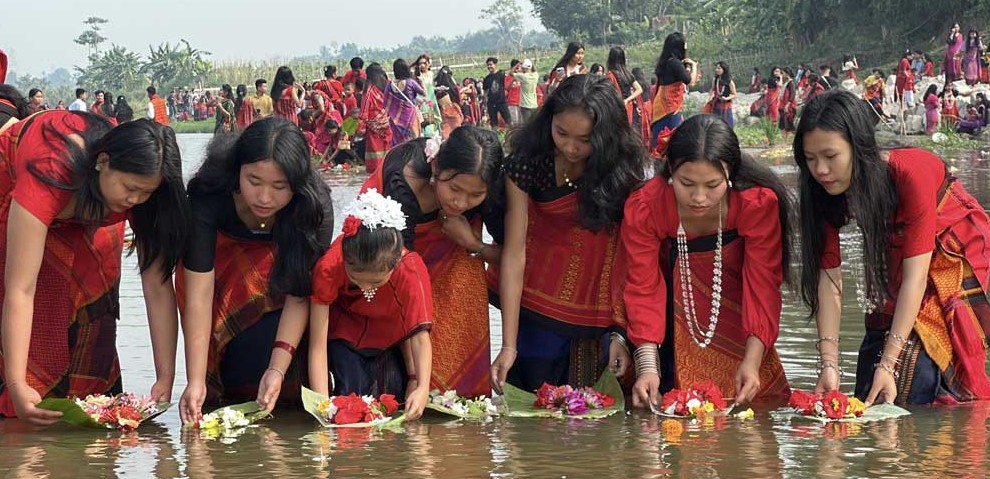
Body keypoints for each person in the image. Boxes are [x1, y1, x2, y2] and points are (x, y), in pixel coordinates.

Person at [795, 89, 990, 406]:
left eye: (831, 156)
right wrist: (829, 364)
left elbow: (916, 277)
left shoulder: (909, 174)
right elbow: (829, 281)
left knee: (913, 374)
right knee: (868, 380)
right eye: (810, 158)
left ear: (859, 148)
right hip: (897, 246)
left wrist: (889, 365)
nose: (820, 170)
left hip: (952, 248)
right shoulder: (820, 191)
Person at [0, 111, 190, 424]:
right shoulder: (51, 165)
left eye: (146, 192)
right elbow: (21, 289)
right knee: (36, 300)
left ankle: (92, 409)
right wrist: (17, 382)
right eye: (130, 187)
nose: (135, 199)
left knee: (94, 303)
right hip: (15, 189)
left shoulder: (140, 194)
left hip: (91, 203)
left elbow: (157, 285)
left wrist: (165, 377)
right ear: (103, 162)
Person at [621, 114, 793, 408]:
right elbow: (643, 286)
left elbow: (763, 286)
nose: (698, 197)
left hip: (739, 323)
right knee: (671, 407)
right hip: (668, 321)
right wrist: (648, 367)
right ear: (670, 170)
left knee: (756, 408)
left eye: (712, 185)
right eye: (686, 183)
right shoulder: (647, 206)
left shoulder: (755, 204)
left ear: (730, 175)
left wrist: (752, 362)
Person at [489, 75, 647, 394]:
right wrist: (507, 345)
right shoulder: (528, 163)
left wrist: (621, 333)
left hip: (599, 307)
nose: (571, 148)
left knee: (594, 407)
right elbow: (516, 251)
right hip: (535, 300)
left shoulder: (621, 170)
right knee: (534, 402)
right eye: (561, 133)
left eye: (585, 140)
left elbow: (628, 254)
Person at [177, 117, 334, 422]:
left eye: (279, 186)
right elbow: (199, 291)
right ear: (237, 170)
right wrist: (195, 379)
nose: (264, 198)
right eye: (254, 181)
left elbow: (300, 292)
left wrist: (276, 368)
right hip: (222, 282)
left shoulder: (314, 206)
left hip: (285, 289)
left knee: (287, 385)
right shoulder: (209, 193)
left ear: (297, 184)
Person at [361, 127, 503, 398]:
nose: (461, 202)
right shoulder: (403, 182)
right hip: (391, 265)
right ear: (436, 166)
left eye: (475, 196)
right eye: (454, 189)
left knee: (459, 398)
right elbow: (400, 275)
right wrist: (416, 376)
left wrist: (474, 244)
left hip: (457, 258)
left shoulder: (490, 186)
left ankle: (461, 400)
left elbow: (518, 257)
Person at [309, 189, 432, 420]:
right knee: (348, 398)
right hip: (345, 331)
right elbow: (317, 345)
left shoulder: (410, 268)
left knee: (391, 401)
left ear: (395, 263)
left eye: (375, 282)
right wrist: (322, 406)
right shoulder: (329, 267)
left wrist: (422, 386)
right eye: (356, 279)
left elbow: (419, 336)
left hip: (391, 335)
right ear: (345, 260)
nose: (366, 287)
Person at [650, 32, 698, 150]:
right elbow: (690, 81)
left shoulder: (666, 62)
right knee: (672, 139)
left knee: (660, 139)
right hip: (669, 106)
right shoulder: (674, 63)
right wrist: (694, 66)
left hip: (661, 103)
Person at [606, 47, 648, 145]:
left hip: (618, 108)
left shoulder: (610, 75)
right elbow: (639, 89)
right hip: (630, 107)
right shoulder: (627, 74)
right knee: (632, 133)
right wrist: (628, 100)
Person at [384, 59, 425, 147]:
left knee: (398, 142)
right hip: (409, 116)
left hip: (395, 119)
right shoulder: (410, 82)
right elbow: (424, 93)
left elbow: (386, 102)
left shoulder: (389, 85)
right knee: (414, 140)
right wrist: (422, 81)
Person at [360, 63, 392, 174]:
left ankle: (377, 174)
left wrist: (361, 125)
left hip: (374, 127)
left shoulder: (369, 90)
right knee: (388, 150)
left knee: (375, 155)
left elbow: (364, 112)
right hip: (388, 123)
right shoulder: (388, 85)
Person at [482, 57, 511, 130]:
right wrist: (485, 103)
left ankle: (510, 134)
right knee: (494, 123)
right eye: (488, 65)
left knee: (508, 121)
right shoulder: (487, 78)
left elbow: (508, 83)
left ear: (495, 65)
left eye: (491, 64)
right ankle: (495, 134)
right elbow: (485, 91)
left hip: (502, 101)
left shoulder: (501, 74)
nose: (489, 66)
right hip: (491, 103)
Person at [709, 61, 737, 128]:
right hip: (716, 104)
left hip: (726, 105)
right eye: (716, 68)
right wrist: (710, 96)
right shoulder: (715, 80)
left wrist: (726, 98)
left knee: (727, 123)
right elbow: (712, 89)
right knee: (716, 123)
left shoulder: (729, 81)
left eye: (719, 68)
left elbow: (734, 94)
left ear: (724, 70)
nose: (716, 70)